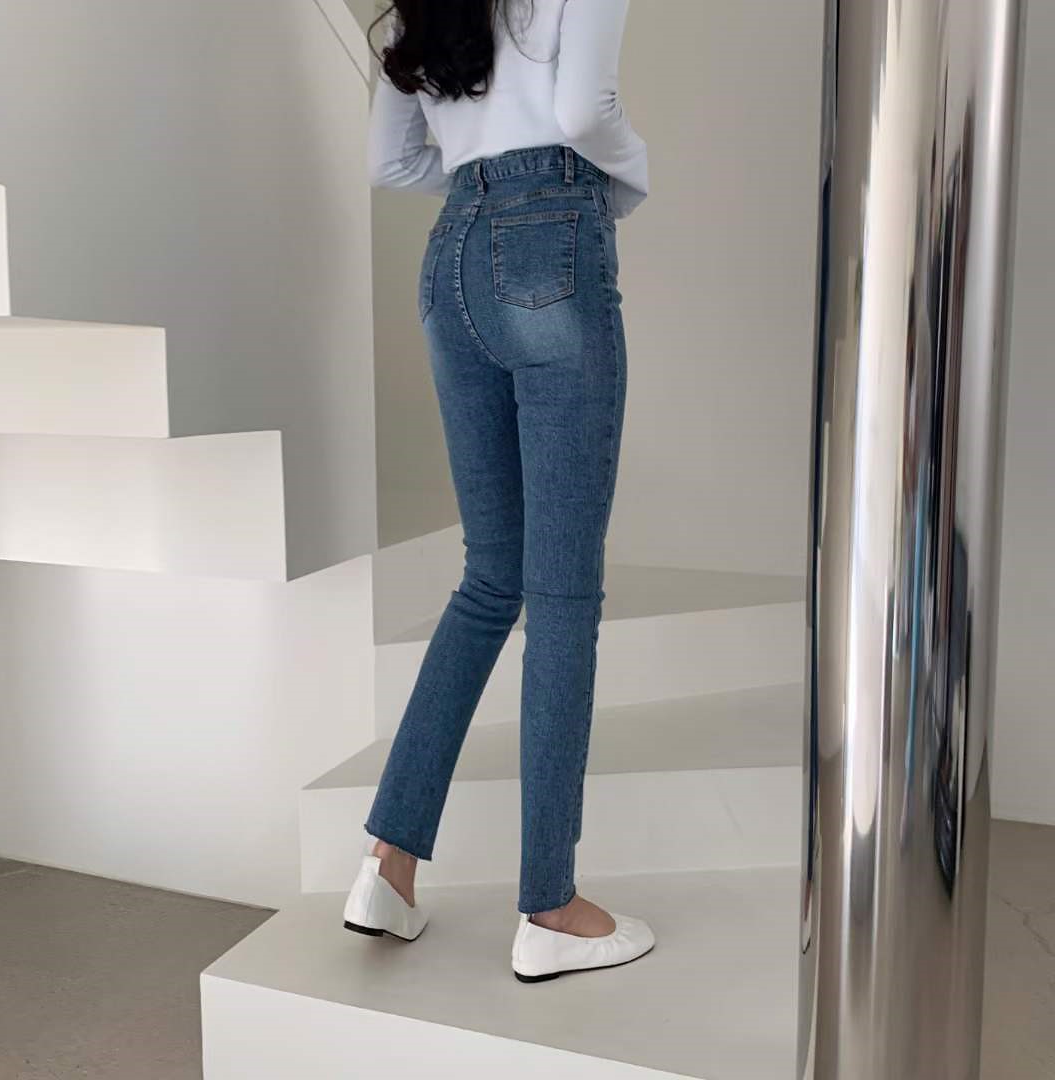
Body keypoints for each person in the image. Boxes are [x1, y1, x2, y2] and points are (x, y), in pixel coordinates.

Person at [342, 0, 652, 983]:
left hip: (452, 258)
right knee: (560, 595)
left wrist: (482, 179)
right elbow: (585, 109)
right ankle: (550, 906)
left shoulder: (423, 4)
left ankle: (388, 867)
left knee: (491, 579)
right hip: (553, 237)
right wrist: (630, 173)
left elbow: (390, 161)